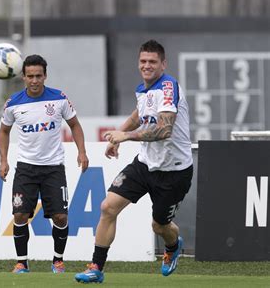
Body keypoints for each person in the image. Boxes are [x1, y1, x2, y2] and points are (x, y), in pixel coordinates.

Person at [75, 40, 193, 283]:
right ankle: (96, 268)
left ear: (163, 64)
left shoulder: (169, 87)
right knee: (108, 207)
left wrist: (125, 136)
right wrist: (117, 136)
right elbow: (138, 114)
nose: (146, 66)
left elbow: (164, 130)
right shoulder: (144, 89)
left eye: (152, 61)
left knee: (159, 226)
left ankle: (172, 246)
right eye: (143, 61)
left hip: (173, 172)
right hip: (144, 165)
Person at [0, 54, 89, 274]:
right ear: (23, 77)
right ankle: (22, 262)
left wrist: (82, 152)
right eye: (30, 76)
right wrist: (3, 160)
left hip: (53, 168)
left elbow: (75, 125)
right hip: (26, 169)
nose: (35, 80)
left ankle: (57, 260)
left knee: (60, 216)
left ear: (45, 75)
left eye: (39, 76)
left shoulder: (59, 98)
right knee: (19, 215)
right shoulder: (13, 104)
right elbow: (3, 131)